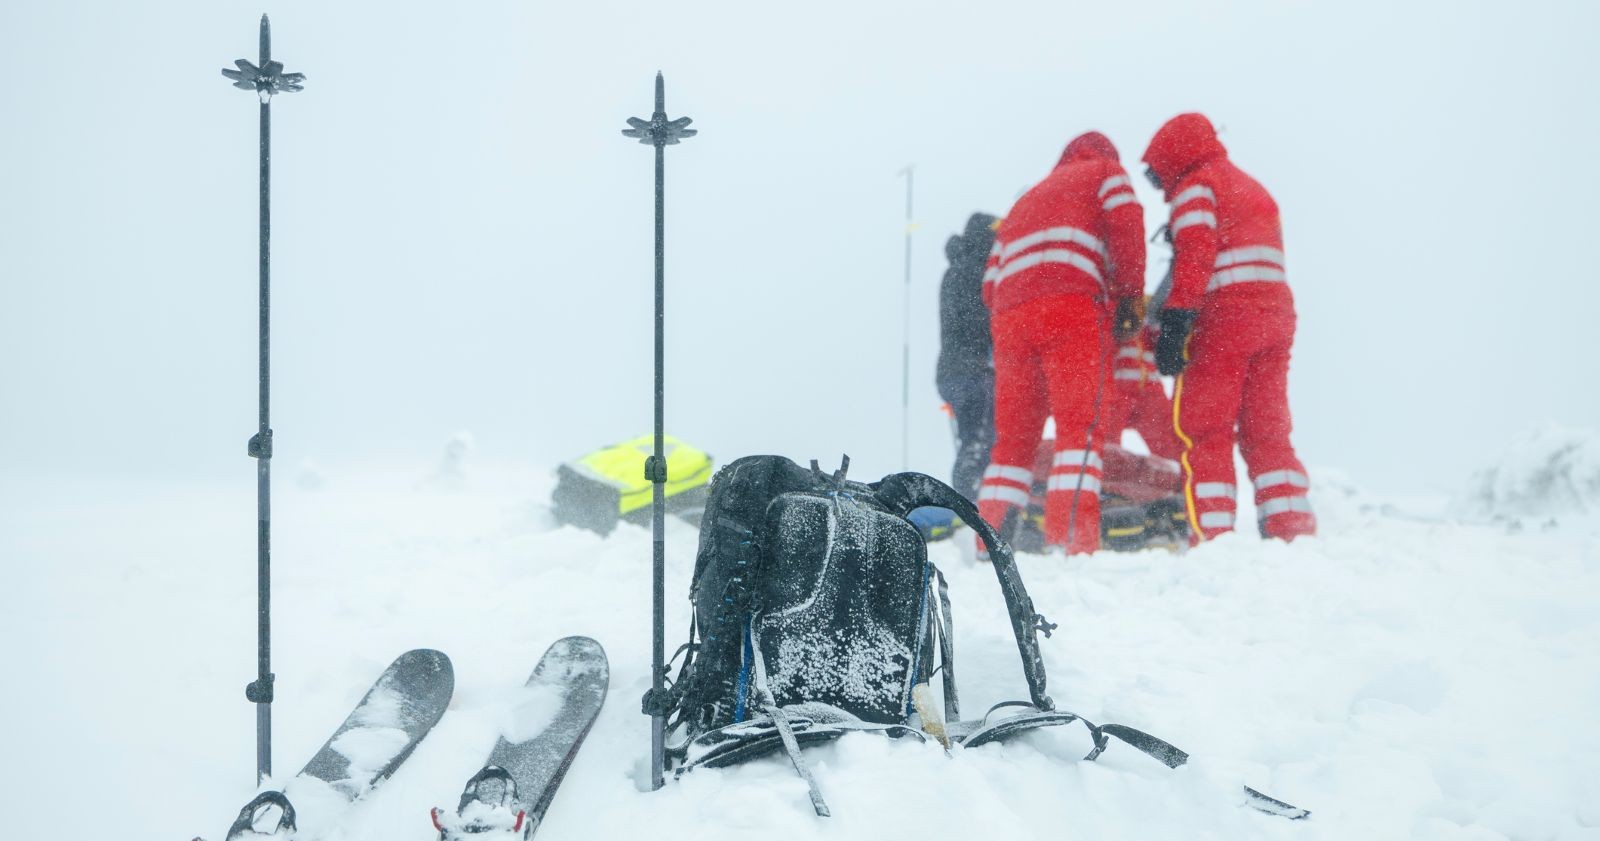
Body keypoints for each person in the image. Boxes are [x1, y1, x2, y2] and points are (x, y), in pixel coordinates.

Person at [1141, 112, 1316, 542]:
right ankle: (1291, 531)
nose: (1162, 190)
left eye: (1158, 177)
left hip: (1223, 323)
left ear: (1172, 159)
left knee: (1205, 429)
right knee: (1268, 430)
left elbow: (1195, 258)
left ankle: (1215, 538)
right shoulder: (1253, 188)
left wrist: (1176, 323)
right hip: (1275, 319)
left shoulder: (1196, 188)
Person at [976, 131, 1145, 554]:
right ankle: (1069, 541)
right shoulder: (1106, 173)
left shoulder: (1025, 200)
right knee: (1079, 430)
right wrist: (1128, 298)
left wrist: (1014, 309)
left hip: (1009, 319)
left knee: (1012, 442)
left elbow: (989, 283)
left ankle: (991, 544)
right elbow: (1128, 227)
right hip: (1070, 308)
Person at [936, 212, 1000, 503]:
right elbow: (979, 320)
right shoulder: (974, 270)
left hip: (954, 371)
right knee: (981, 439)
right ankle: (971, 500)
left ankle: (968, 499)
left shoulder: (957, 270)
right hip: (973, 370)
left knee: (972, 438)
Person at [1102, 297, 1184, 462]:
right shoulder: (1110, 312)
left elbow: (1162, 343)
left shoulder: (1148, 319)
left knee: (1169, 445)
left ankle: (1176, 479)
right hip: (1118, 391)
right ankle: (1102, 476)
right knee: (1105, 442)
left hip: (1149, 391)